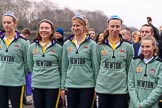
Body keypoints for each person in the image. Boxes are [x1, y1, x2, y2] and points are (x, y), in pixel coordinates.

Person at [95, 15, 133, 108]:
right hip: (102, 89)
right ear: (107, 26)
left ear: (121, 27)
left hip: (121, 90)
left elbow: (129, 69)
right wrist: (96, 87)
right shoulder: (99, 46)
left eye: (117, 26)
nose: (114, 29)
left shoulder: (128, 47)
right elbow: (96, 67)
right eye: (112, 26)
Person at [61, 14, 97, 108]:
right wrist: (62, 86)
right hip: (70, 85)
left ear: (84, 27)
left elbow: (95, 67)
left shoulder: (92, 44)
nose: (75, 28)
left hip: (87, 86)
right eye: (73, 25)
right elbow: (64, 66)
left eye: (78, 25)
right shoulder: (66, 44)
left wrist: (96, 86)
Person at [27, 19, 62, 108]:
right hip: (37, 84)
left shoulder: (58, 48)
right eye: (42, 28)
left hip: (53, 86)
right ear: (39, 30)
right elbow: (31, 65)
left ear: (51, 31)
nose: (44, 30)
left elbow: (61, 67)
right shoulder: (31, 47)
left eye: (47, 28)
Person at [0, 11, 29, 108]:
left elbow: (27, 63)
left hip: (17, 83)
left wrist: (18, 73)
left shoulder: (23, 42)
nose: (6, 25)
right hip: (1, 82)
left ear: (15, 23)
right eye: (4, 22)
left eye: (9, 22)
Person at [128, 36, 162, 108]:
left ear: (154, 47)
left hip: (152, 105)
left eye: (147, 46)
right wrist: (136, 104)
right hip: (134, 105)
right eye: (142, 46)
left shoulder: (160, 64)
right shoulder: (134, 61)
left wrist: (143, 105)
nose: (144, 49)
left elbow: (159, 88)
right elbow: (130, 83)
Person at [21, 28, 33, 105]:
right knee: (25, 85)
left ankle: (23, 99)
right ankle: (24, 100)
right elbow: (27, 56)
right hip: (23, 68)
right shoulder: (25, 42)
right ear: (27, 35)